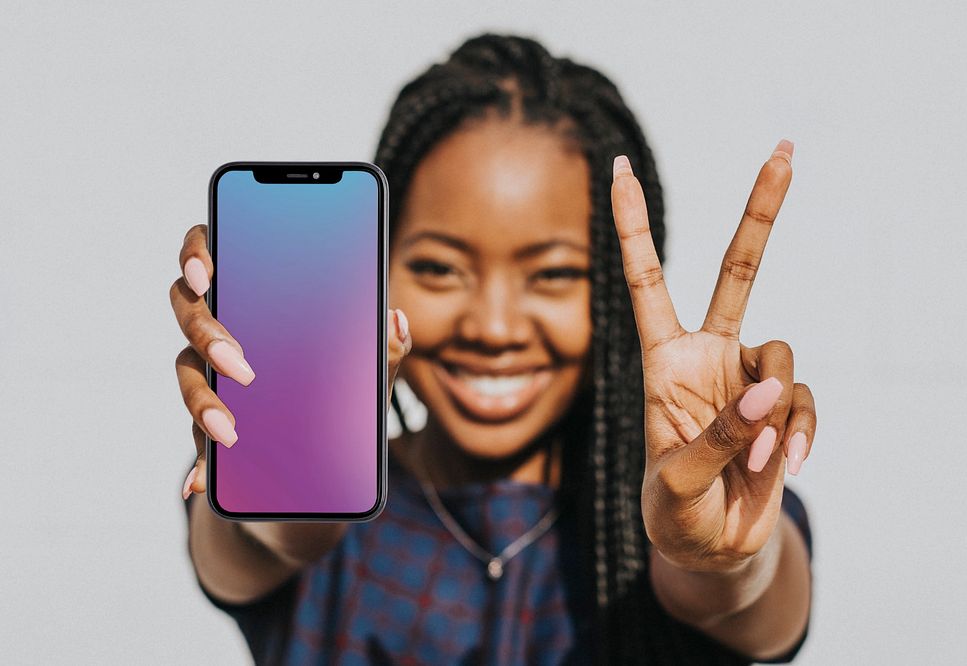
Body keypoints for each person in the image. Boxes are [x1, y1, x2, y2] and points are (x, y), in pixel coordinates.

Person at [171, 33, 815, 665]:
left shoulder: (695, 499)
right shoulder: (305, 493)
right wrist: (286, 462)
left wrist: (713, 559)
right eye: (440, 269)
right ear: (374, 266)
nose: (493, 327)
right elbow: (278, 538)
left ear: (622, 295)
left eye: (555, 275)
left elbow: (740, 599)